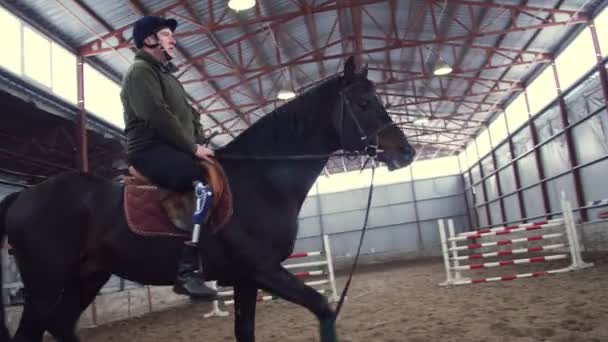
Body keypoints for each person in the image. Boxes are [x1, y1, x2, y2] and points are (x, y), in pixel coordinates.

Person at [120, 15, 218, 300]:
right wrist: (192, 148)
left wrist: (199, 141)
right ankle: (187, 270)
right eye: (165, 35)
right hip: (150, 150)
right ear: (149, 40)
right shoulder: (140, 72)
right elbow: (156, 115)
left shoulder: (166, 75)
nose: (173, 39)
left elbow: (191, 115)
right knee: (200, 182)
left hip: (174, 147)